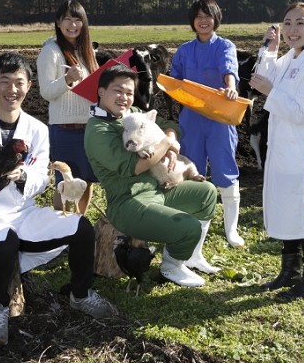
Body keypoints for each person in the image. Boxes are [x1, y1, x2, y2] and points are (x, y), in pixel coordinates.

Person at [0, 52, 118, 347]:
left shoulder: (38, 130)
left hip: (23, 214)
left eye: (18, 82)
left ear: (29, 86)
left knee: (80, 227)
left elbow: (42, 177)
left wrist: (24, 177)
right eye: (4, 82)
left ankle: (81, 294)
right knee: (3, 240)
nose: (12, 89)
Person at [84, 64, 219, 287]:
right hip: (130, 202)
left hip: (158, 188)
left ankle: (192, 255)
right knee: (188, 227)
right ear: (101, 91)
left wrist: (171, 144)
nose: (124, 97)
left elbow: (166, 124)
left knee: (206, 193)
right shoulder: (98, 130)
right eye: (118, 90)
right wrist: (167, 143)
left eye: (129, 92)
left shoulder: (132, 114)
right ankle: (171, 266)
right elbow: (135, 166)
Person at [249, 2, 304, 302]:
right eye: (288, 23)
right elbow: (264, 74)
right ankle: (290, 269)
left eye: (300, 23)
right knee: (285, 205)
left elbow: (303, 114)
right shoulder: (293, 58)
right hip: (282, 147)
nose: (293, 30)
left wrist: (271, 92)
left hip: (298, 150)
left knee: (301, 210)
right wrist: (271, 47)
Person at [170, 0, 244, 247]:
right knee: (192, 169)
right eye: (198, 17)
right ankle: (193, 223)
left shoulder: (225, 46)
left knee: (225, 168)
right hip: (191, 119)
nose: (203, 21)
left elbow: (228, 69)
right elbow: (175, 81)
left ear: (215, 20)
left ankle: (231, 230)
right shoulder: (184, 51)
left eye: (208, 16)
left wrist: (230, 87)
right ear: (193, 21)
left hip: (220, 118)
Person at [36, 0, 99, 214]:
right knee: (66, 182)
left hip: (89, 127)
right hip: (64, 129)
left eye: (77, 20)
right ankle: (60, 228)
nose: (73, 25)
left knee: (87, 180)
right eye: (68, 20)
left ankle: (78, 223)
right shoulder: (51, 51)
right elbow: (45, 92)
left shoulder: (87, 51)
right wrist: (67, 80)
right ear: (58, 22)